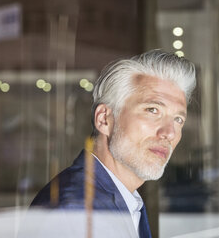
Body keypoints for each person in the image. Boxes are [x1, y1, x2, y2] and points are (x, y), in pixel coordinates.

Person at [19, 49, 196, 238]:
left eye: (178, 120)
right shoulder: (76, 212)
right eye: (152, 110)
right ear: (104, 119)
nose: (169, 133)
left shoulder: (121, 200)